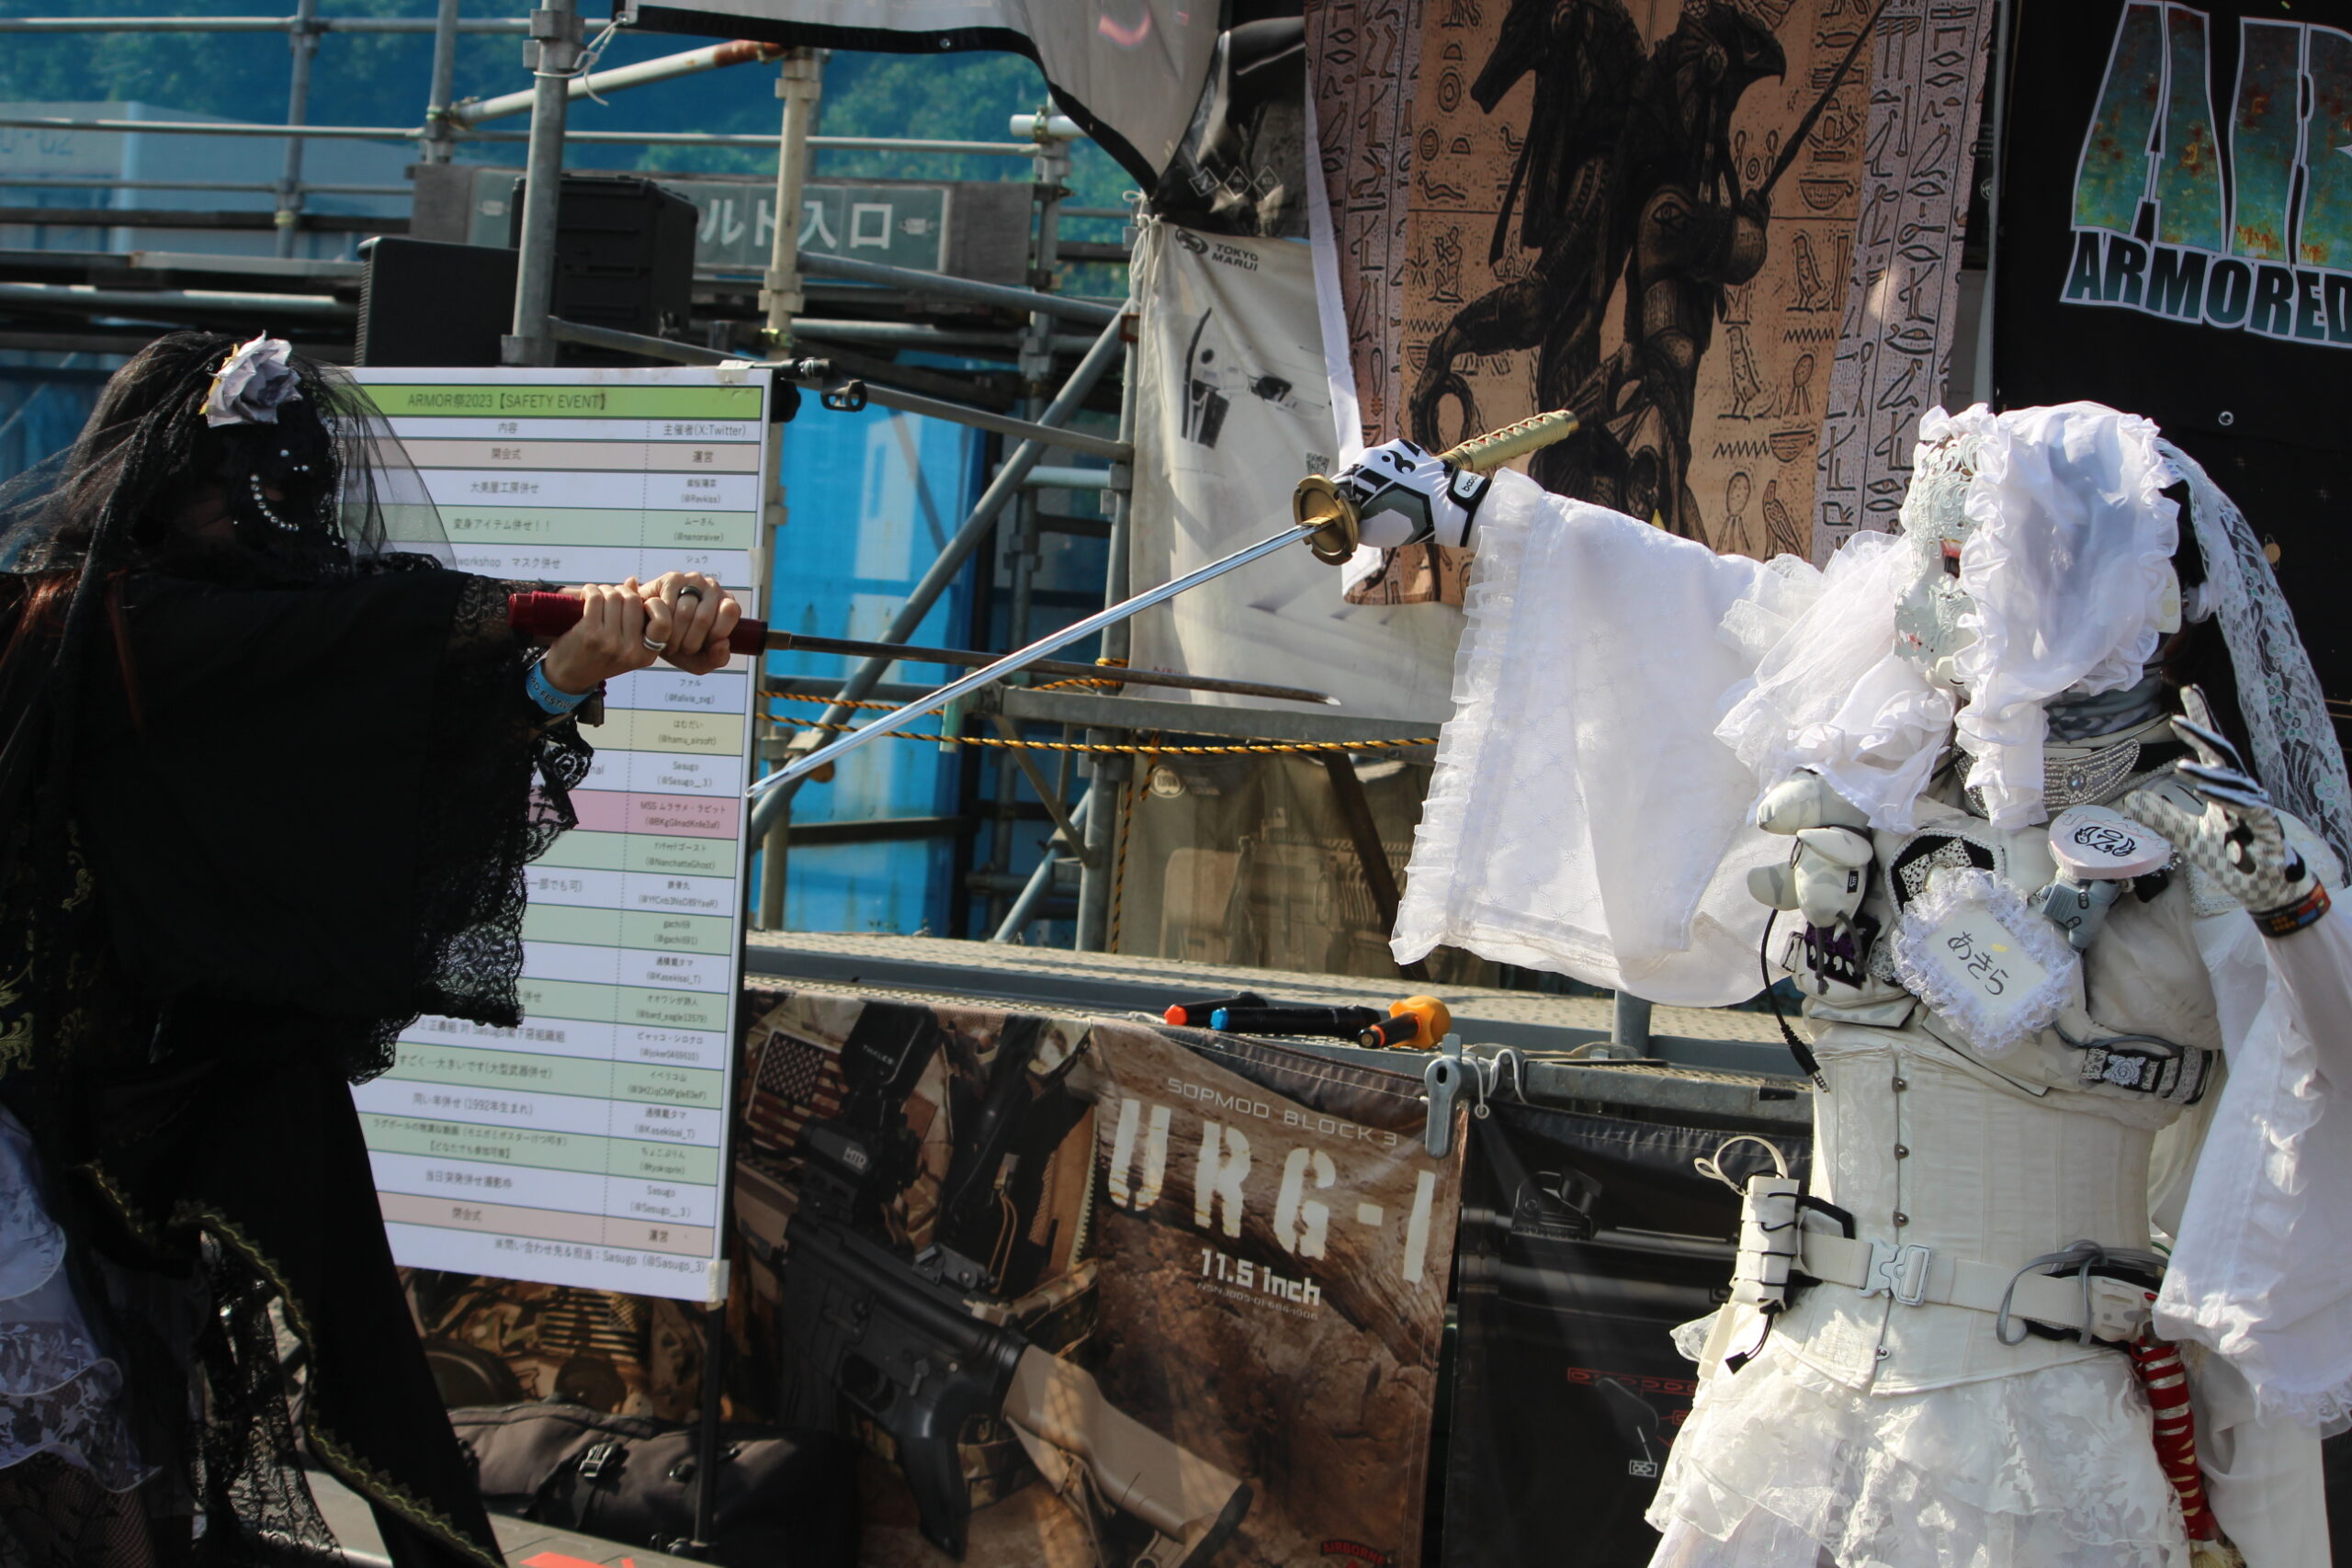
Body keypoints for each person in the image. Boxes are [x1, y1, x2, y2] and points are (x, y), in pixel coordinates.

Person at [1333, 405, 2352, 1565]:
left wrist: (2293, 910)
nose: (1919, 594)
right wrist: (1467, 511)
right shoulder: (1882, 752)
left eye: (1963, 560)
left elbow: (2328, 1075)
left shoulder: (2214, 841)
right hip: (1794, 1402)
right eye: (1929, 551)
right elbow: (1700, 603)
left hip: (2032, 1451)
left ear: (2088, 585)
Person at [0, 332, 741, 1568]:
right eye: (243, 491)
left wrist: (580, 656)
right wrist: (576, 623)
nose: (272, 523)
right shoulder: (90, 626)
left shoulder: (209, 638)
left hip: (130, 1111)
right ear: (162, 487)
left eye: (292, 491)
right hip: (32, 1130)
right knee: (84, 1479)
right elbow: (359, 642)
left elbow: (356, 744)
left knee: (148, 1478)